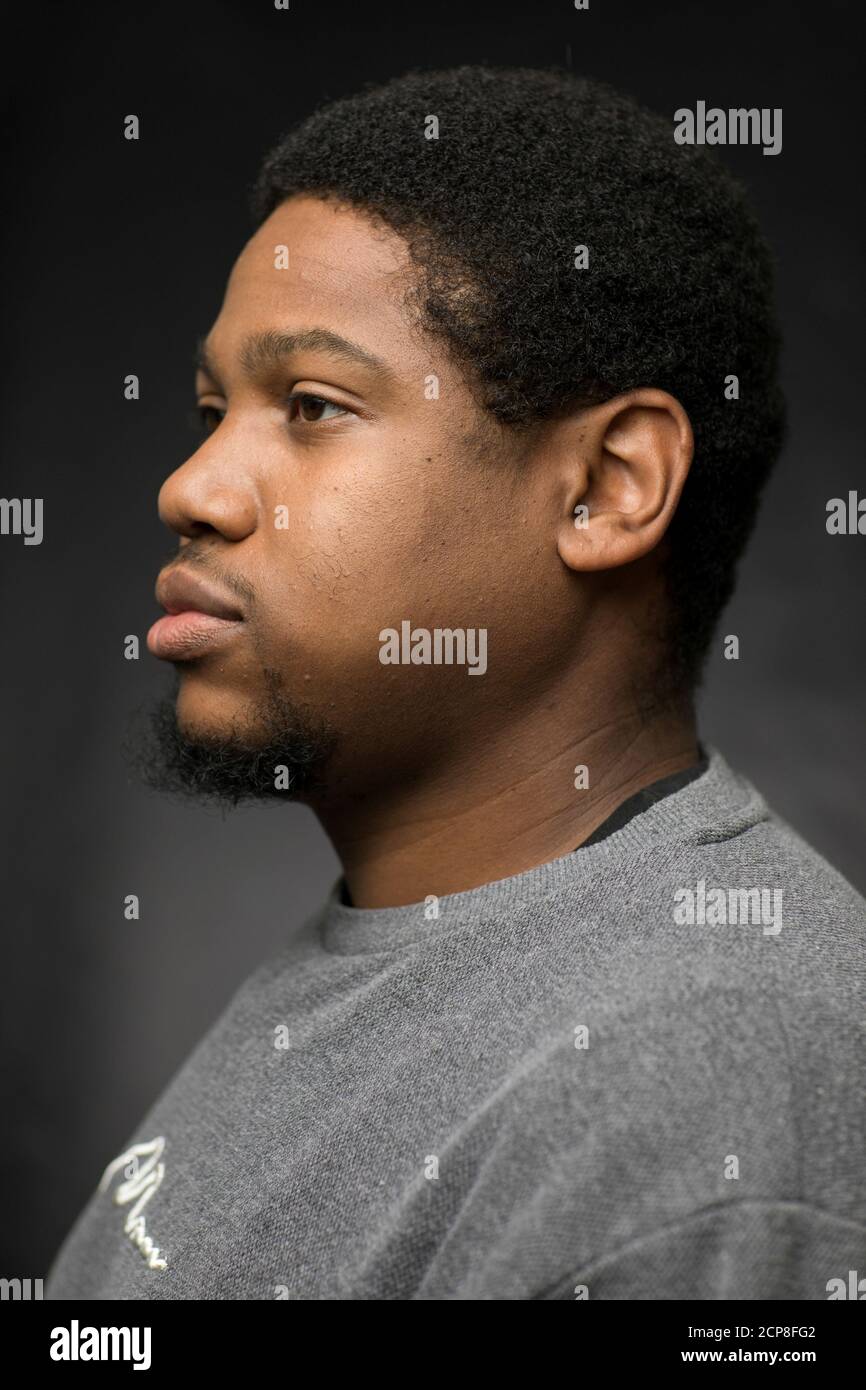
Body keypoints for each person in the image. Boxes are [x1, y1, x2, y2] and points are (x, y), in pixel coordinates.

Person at [45, 66, 865, 1300]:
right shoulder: (406, 937)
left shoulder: (691, 1076)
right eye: (214, 409)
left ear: (605, 487)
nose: (192, 487)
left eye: (310, 405)